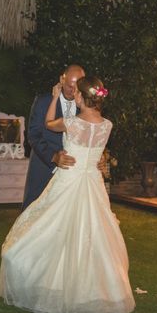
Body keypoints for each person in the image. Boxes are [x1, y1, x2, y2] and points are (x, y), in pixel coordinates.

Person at [0, 77, 135, 313]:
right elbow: (96, 151)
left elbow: (49, 124)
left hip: (69, 180)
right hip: (92, 182)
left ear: (81, 98)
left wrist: (54, 98)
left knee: (51, 231)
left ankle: (51, 286)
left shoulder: (72, 123)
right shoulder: (108, 125)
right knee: (92, 238)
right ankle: (90, 292)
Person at [23, 64, 105, 210]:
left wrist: (99, 156)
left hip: (74, 177)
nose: (73, 90)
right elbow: (34, 135)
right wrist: (53, 157)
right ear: (62, 79)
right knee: (34, 215)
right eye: (69, 86)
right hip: (44, 168)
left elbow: (93, 134)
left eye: (77, 87)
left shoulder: (86, 106)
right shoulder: (43, 101)